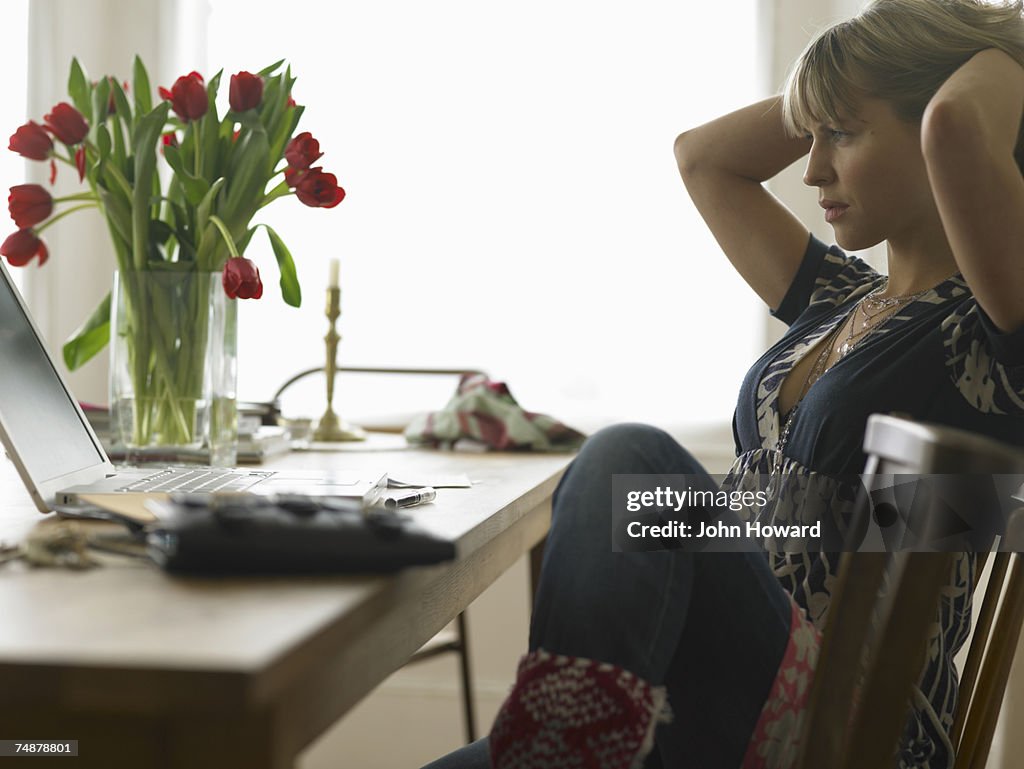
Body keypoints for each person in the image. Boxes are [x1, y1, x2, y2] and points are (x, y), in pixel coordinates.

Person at [423, 0, 1024, 767]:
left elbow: (960, 127)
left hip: (849, 732)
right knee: (612, 481)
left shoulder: (994, 331)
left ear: (928, 122)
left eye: (842, 132)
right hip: (720, 689)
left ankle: (560, 747)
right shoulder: (839, 298)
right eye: (811, 135)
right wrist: (830, 93)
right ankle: (563, 745)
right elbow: (700, 156)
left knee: (631, 459)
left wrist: (1006, 48)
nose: (811, 169)